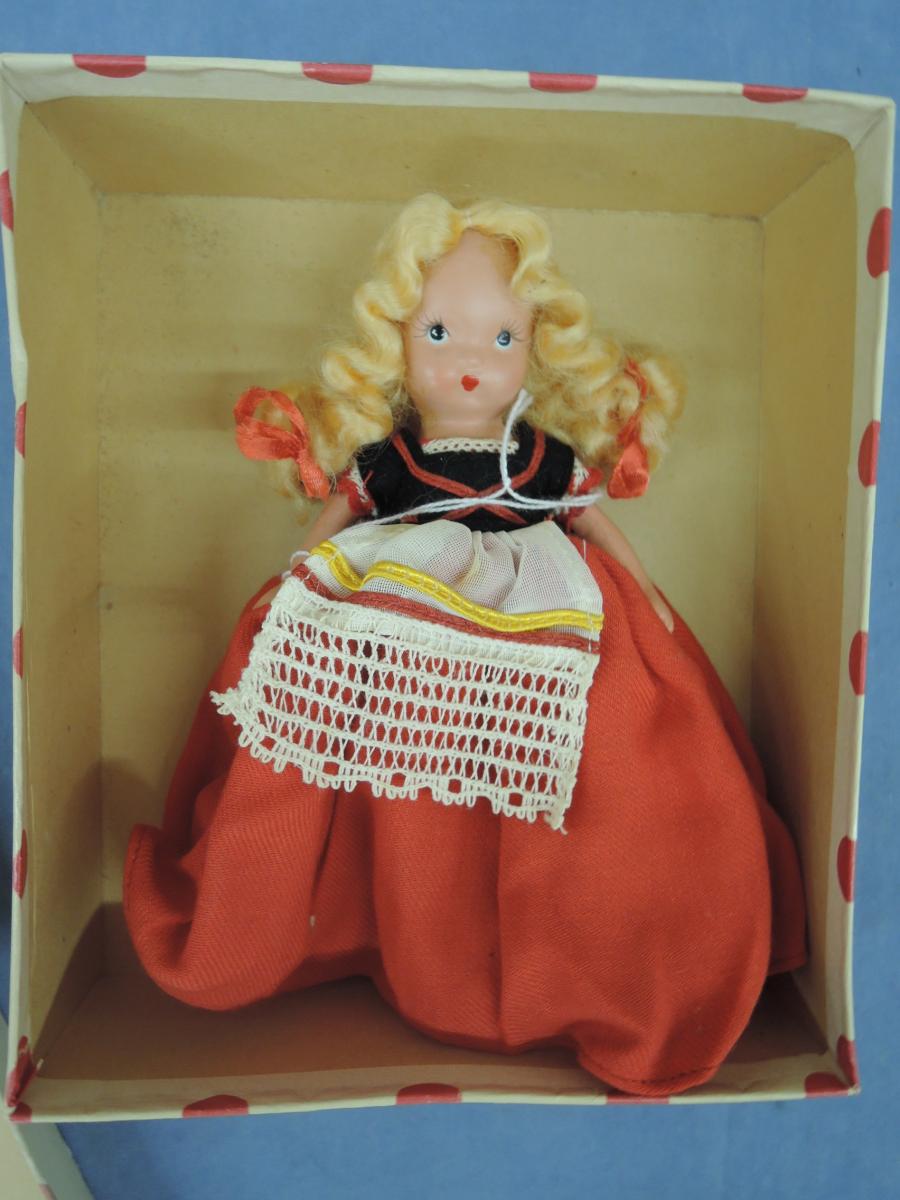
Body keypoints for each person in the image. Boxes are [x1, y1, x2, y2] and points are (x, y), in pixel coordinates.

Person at [123, 193, 806, 1097]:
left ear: (536, 350)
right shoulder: (393, 462)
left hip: (548, 609)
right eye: (440, 333)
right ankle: (399, 919)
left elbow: (593, 524)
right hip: (404, 608)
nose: (471, 362)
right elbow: (332, 526)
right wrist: (293, 585)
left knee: (612, 750)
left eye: (502, 337)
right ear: (397, 343)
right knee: (394, 778)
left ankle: (582, 939)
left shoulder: (541, 460)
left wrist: (644, 598)